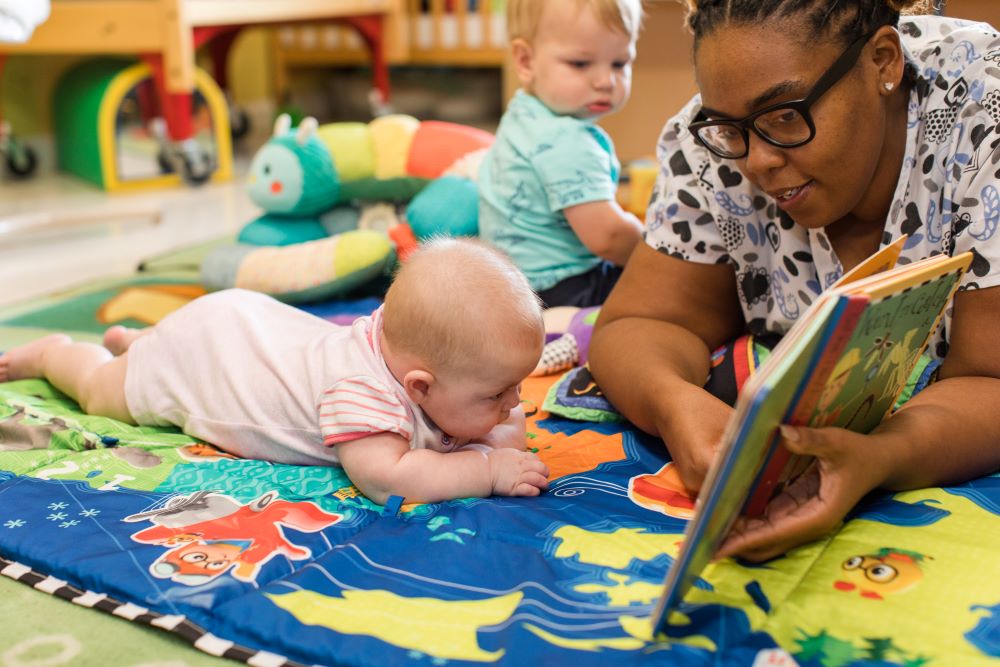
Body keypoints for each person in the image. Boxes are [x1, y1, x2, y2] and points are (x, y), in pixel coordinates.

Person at [590, 0, 1000, 561]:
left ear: (883, 60)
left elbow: (992, 380)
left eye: (785, 115)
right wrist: (675, 404)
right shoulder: (712, 146)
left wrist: (880, 457)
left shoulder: (984, 117)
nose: (756, 162)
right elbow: (641, 321)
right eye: (731, 128)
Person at [0, 239, 550, 505]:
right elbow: (390, 480)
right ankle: (56, 353)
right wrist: (489, 470)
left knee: (162, 341)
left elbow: (497, 425)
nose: (514, 404)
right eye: (499, 393)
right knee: (103, 391)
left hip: (241, 326)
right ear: (420, 387)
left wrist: (496, 428)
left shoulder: (412, 344)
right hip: (202, 361)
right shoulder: (363, 397)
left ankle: (136, 340)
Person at [478, 0, 645, 308]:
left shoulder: (523, 112)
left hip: (509, 282)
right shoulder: (568, 141)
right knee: (667, 288)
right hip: (562, 289)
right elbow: (608, 238)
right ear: (526, 61)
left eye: (619, 63)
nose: (605, 81)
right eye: (580, 64)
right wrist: (656, 245)